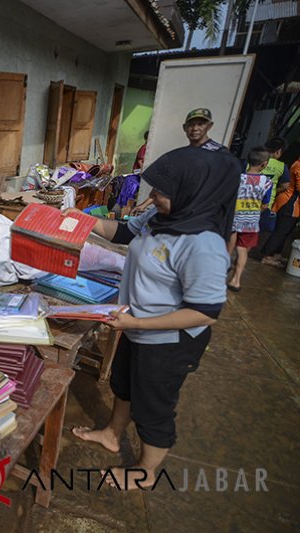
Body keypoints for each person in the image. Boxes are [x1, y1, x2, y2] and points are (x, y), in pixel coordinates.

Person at [68, 142, 241, 489]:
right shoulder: (161, 216)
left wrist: (136, 323)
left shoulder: (203, 245)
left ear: (195, 193)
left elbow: (205, 314)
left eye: (165, 190)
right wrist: (74, 219)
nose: (155, 195)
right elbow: (122, 232)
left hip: (167, 341)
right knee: (125, 385)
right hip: (135, 326)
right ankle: (112, 435)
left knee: (154, 408)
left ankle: (144, 474)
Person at [132, 108, 230, 214]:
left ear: (209, 126)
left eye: (200, 124)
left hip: (203, 214)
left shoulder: (219, 154)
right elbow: (163, 186)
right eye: (191, 124)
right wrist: (144, 205)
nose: (195, 128)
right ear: (184, 128)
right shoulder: (182, 156)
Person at [226, 147, 273, 291]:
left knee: (228, 248)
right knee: (242, 250)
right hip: (251, 221)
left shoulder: (238, 178)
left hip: (234, 217)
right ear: (264, 164)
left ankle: (219, 275)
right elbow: (265, 204)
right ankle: (236, 280)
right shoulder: (266, 182)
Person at [261, 157, 300, 267]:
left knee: (286, 231)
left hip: (294, 204)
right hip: (289, 202)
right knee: (281, 230)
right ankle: (267, 256)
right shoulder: (299, 165)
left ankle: (276, 254)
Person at [257, 137, 289, 234]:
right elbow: (285, 186)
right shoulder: (282, 166)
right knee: (254, 235)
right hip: (266, 205)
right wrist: (274, 190)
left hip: (247, 201)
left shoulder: (255, 159)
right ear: (278, 151)